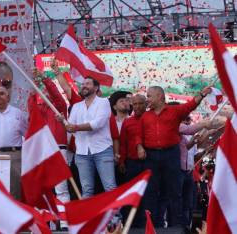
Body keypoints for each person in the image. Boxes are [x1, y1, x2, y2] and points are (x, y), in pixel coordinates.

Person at [139, 85, 211, 227]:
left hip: (171, 154)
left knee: (174, 191)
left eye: (149, 96)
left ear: (160, 96)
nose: (147, 99)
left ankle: (176, 226)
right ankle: (153, 225)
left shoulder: (174, 111)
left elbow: (191, 105)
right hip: (151, 155)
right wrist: (139, 147)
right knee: (152, 190)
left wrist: (202, 94)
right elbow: (139, 135)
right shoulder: (145, 116)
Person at [32, 68, 72, 231]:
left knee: (61, 188)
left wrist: (45, 81)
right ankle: (47, 221)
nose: (45, 96)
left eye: (47, 94)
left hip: (59, 150)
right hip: (42, 152)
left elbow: (56, 95)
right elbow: (31, 104)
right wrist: (33, 85)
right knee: (44, 189)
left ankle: (64, 221)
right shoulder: (38, 111)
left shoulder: (60, 108)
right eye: (42, 95)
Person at [65, 76, 116, 198]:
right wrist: (63, 122)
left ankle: (115, 217)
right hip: (82, 152)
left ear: (96, 87)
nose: (84, 86)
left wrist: (75, 127)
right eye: (82, 84)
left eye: (87, 83)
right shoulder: (77, 106)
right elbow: (70, 126)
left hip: (102, 150)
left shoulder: (103, 102)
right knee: (86, 189)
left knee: (110, 187)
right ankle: (87, 217)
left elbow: (97, 124)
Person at [119, 94, 147, 227]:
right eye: (134, 104)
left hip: (149, 163)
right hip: (132, 163)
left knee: (148, 195)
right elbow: (123, 143)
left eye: (140, 103)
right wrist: (122, 161)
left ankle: (145, 225)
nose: (137, 107)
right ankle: (130, 225)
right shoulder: (127, 122)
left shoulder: (151, 119)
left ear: (146, 104)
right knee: (131, 194)